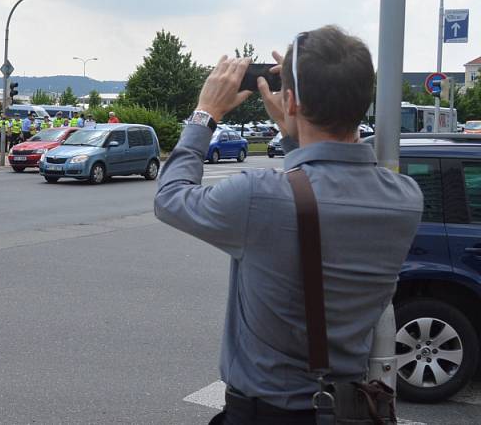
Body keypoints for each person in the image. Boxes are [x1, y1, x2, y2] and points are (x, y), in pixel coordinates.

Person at [154, 26, 423, 424]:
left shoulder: (258, 196)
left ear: (291, 100)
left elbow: (170, 197)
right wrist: (294, 132)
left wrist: (204, 113)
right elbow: (316, 194)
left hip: (265, 413)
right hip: (346, 409)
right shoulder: (404, 198)